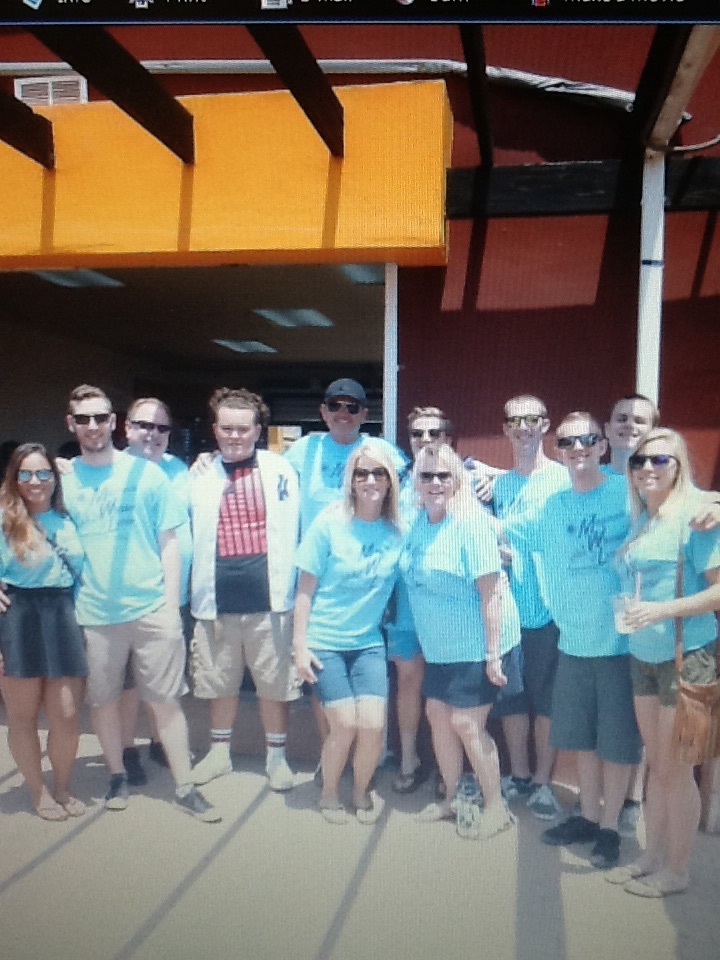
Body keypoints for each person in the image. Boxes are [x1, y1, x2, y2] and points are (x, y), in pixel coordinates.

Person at [61, 384, 219, 821]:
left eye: (101, 417)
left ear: (114, 423)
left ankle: (185, 786)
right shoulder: (61, 479)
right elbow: (25, 525)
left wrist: (169, 608)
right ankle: (117, 776)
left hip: (152, 608)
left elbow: (169, 542)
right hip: (94, 614)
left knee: (165, 701)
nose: (93, 426)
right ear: (70, 424)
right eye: (84, 419)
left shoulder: (149, 475)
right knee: (105, 701)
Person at [504, 411, 642, 869]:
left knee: (617, 744)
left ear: (603, 445)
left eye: (586, 440)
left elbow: (678, 505)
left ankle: (608, 828)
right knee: (581, 739)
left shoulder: (628, 492)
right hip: (573, 644)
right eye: (567, 442)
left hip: (620, 645)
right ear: (558, 451)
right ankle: (586, 816)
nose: (577, 448)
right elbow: (505, 529)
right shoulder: (553, 507)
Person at [606, 428, 720, 898]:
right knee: (657, 765)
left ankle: (677, 869)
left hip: (688, 657)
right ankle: (652, 855)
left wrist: (659, 611)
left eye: (660, 460)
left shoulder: (695, 516)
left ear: (679, 466)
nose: (647, 469)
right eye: (639, 461)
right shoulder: (644, 518)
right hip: (644, 657)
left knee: (678, 770)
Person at [402, 443, 521, 840]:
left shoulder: (471, 523)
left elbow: (492, 594)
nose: (434, 483)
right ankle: (453, 798)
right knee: (437, 716)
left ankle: (496, 808)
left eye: (443, 475)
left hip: (476, 646)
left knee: (468, 724)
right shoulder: (420, 522)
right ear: (415, 482)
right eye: (426, 475)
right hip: (440, 650)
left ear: (457, 480)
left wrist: (492, 656)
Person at [188, 388, 301, 792]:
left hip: (270, 600)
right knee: (220, 683)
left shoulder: (282, 470)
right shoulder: (197, 475)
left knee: (274, 685)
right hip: (215, 600)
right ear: (215, 430)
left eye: (243, 428)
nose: (235, 436)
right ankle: (219, 755)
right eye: (227, 428)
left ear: (258, 430)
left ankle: (276, 757)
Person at [292, 442, 403, 824]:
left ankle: (360, 792)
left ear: (390, 481)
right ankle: (327, 794)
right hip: (325, 643)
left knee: (373, 725)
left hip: (368, 643)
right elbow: (304, 590)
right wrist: (299, 645)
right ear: (351, 481)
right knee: (345, 724)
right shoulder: (330, 522)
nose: (370, 480)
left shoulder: (398, 530)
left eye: (378, 473)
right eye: (362, 473)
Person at [0, 444, 87, 820]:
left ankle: (63, 787)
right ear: (14, 479)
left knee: (66, 714)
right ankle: (39, 794)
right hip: (18, 617)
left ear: (54, 477)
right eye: (25, 474)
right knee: (22, 716)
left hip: (64, 614)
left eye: (43, 473)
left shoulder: (70, 518)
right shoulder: (4, 519)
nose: (34, 481)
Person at [492, 395, 568, 819]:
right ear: (504, 429)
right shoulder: (498, 486)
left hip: (548, 611)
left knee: (547, 702)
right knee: (513, 698)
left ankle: (543, 782)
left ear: (546, 424)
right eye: (514, 420)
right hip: (506, 611)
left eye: (532, 418)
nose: (523, 427)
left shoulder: (562, 479)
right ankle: (519, 775)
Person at [119, 398, 194, 784]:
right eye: (144, 425)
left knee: (162, 680)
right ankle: (126, 750)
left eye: (162, 428)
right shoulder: (109, 471)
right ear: (126, 428)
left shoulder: (180, 471)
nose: (153, 434)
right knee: (129, 685)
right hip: (127, 601)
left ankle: (158, 743)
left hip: (172, 597)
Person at [386, 406, 452, 794]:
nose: (425, 441)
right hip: (406, 603)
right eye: (417, 434)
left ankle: (448, 768)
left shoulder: (466, 481)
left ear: (447, 438)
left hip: (448, 608)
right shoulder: (393, 482)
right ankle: (409, 758)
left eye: (434, 433)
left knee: (444, 687)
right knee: (409, 682)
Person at [284, 378, 408, 535]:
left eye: (352, 408)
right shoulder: (303, 449)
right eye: (334, 406)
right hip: (316, 550)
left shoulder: (383, 450)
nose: (343, 413)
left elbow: (410, 493)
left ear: (364, 415)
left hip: (366, 548)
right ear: (323, 411)